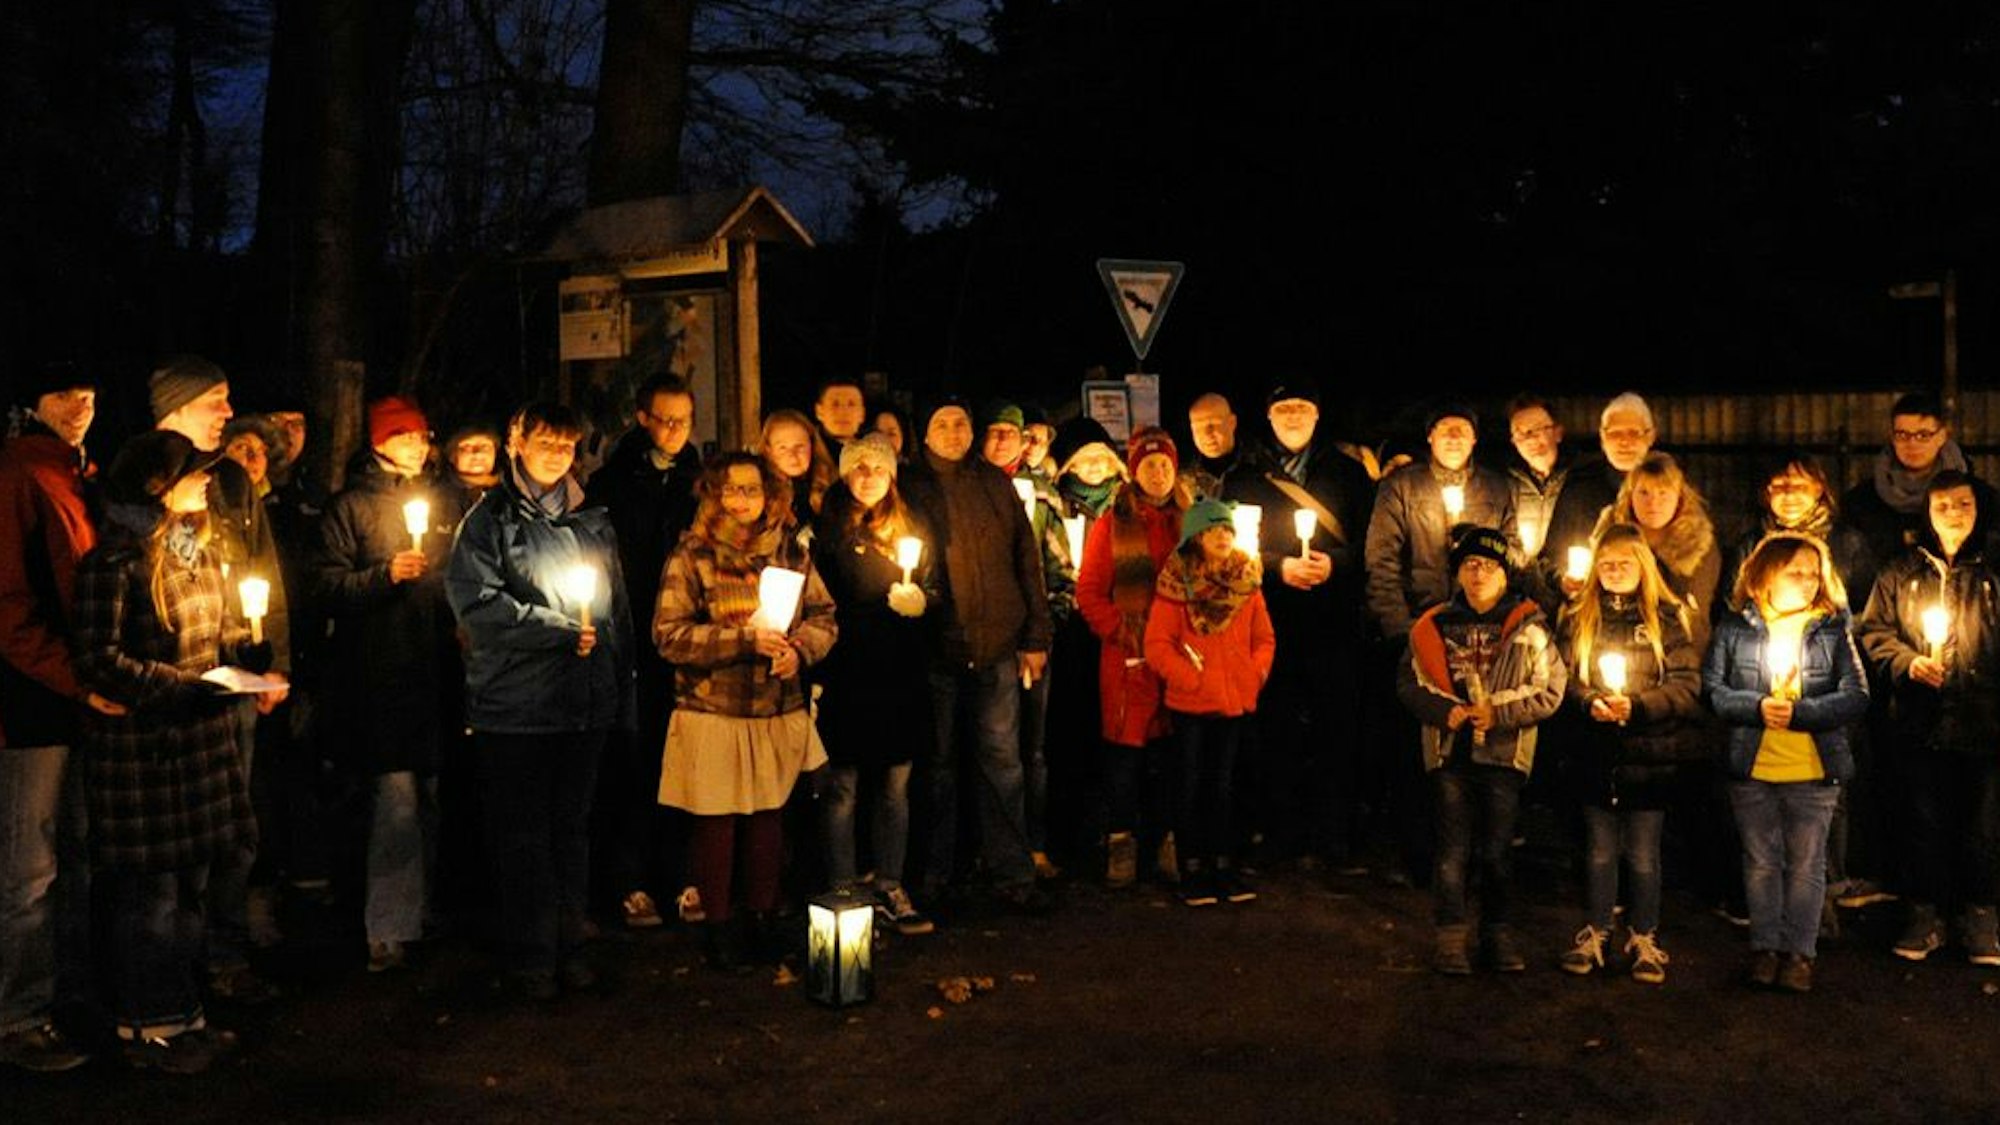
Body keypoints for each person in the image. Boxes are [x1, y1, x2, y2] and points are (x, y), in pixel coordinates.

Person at [74, 431, 269, 1072]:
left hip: (197, 747)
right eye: (197, 473)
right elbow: (100, 658)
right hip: (145, 754)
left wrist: (248, 657)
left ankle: (185, 1017)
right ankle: (147, 1029)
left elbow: (212, 636)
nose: (209, 482)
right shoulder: (115, 563)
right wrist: (187, 689)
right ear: (159, 483)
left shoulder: (195, 553)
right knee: (150, 899)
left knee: (189, 890)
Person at [444, 401, 634, 1000]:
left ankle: (570, 947)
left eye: (566, 445)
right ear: (516, 442)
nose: (556, 455)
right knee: (523, 836)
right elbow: (477, 606)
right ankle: (530, 958)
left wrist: (616, 679)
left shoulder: (590, 519)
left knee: (571, 831)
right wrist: (555, 628)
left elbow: (617, 610)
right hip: (518, 708)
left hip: (582, 704)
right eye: (545, 442)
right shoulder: (488, 521)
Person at [656, 453, 837, 970]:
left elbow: (824, 614)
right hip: (713, 707)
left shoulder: (789, 551)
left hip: (776, 707)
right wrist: (742, 640)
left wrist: (797, 649)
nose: (742, 501)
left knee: (767, 816)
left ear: (769, 496)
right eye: (731, 491)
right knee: (717, 819)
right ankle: (718, 927)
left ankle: (761, 919)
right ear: (713, 496)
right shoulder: (693, 554)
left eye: (752, 490)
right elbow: (668, 634)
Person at [150, 355, 288, 1004]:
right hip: (179, 679)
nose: (229, 414)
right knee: (187, 829)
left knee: (237, 820)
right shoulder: (147, 473)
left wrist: (275, 658)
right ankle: (178, 967)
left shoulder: (232, 480)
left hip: (238, 669)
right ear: (175, 409)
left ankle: (227, 953)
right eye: (217, 401)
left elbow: (265, 565)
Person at [312, 396, 464, 973]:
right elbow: (325, 585)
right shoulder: (350, 507)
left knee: (428, 797)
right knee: (394, 801)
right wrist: (382, 576)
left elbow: (462, 574)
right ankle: (386, 927)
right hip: (380, 675)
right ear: (379, 443)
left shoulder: (444, 501)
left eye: (422, 438)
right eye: (404, 438)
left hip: (435, 672)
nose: (417, 447)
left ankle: (419, 910)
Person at [900, 397, 1054, 914]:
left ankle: (1011, 873)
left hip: (997, 646)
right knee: (938, 767)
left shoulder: (995, 483)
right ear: (924, 433)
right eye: (941, 422)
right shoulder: (910, 485)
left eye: (961, 422)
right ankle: (936, 875)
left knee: (1002, 764)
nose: (953, 430)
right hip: (938, 649)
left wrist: (1036, 635)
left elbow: (1026, 560)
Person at [1397, 525, 1566, 975]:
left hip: (1504, 756)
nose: (1479, 574)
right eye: (1470, 565)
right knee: (1453, 850)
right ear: (1457, 572)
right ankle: (1451, 937)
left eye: (1489, 566)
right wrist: (1443, 711)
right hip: (1449, 755)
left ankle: (1497, 934)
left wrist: (1498, 713)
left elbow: (1549, 689)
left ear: (1506, 574)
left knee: (1496, 851)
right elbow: (1410, 683)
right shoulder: (1433, 625)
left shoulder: (1529, 627)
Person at [1704, 532, 1869, 994]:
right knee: (1760, 861)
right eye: (1794, 571)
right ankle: (1764, 948)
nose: (1806, 580)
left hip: (1813, 770)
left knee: (1806, 864)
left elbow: (1856, 695)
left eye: (1813, 573)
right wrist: (1756, 707)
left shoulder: (1831, 629)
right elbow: (1712, 689)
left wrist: (1802, 714)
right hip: (1753, 766)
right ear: (1764, 576)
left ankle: (1799, 953)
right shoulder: (1737, 628)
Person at [1227, 379, 1374, 871]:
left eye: (1302, 407)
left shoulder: (1349, 475)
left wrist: (1334, 564)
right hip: (1272, 622)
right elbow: (1230, 546)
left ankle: (1334, 836)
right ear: (1268, 417)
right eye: (1283, 408)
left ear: (1317, 415)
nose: (1293, 415)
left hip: (1333, 623)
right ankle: (1281, 832)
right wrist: (1276, 567)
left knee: (1337, 729)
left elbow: (1371, 545)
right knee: (1276, 730)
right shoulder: (1244, 478)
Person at [0, 365, 101, 1072]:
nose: (80, 407)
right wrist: (76, 678)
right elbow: (9, 605)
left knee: (72, 854)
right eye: (64, 393)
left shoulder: (75, 475)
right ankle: (17, 1017)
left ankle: (62, 1000)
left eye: (89, 394)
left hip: (73, 700)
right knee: (28, 867)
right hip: (29, 703)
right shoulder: (20, 474)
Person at [1856, 471, 2000, 967]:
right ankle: (1925, 912)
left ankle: (1980, 913)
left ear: (1978, 509)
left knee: (1982, 823)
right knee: (1923, 820)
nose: (1953, 515)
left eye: (1962, 505)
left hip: (1985, 723)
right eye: (1942, 507)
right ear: (1927, 513)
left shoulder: (1993, 570)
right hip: (1918, 722)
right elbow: (1874, 631)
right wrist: (1907, 662)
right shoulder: (1901, 571)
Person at [1553, 524, 1705, 984]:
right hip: (1595, 754)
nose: (1615, 572)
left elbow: (1686, 686)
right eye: (1607, 564)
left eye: (1624, 563)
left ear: (1644, 567)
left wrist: (1637, 707)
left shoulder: (1666, 620)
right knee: (1599, 851)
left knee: (1642, 853)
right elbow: (1562, 677)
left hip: (1649, 756)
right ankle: (1596, 930)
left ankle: (1644, 935)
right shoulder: (1579, 618)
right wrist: (1588, 702)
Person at [584, 375, 703, 929]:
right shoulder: (610, 484)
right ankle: (629, 880)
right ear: (643, 418)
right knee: (631, 761)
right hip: (628, 639)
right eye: (666, 418)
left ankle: (681, 873)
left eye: (685, 419)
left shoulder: (698, 483)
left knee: (682, 761)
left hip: (682, 641)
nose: (676, 430)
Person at [811, 434, 937, 935]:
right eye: (858, 468)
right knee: (842, 785)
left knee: (895, 784)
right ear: (845, 474)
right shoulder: (825, 531)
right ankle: (844, 886)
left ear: (892, 475)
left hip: (898, 671)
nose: (868, 477)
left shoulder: (912, 525)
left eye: (878, 468)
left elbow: (935, 587)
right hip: (846, 669)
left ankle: (890, 882)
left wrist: (921, 601)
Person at [1143, 499, 1276, 906]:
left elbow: (1264, 638)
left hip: (1235, 701)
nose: (1223, 536)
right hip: (1192, 704)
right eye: (1214, 529)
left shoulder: (1246, 583)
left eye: (1228, 530)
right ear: (1196, 538)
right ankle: (1193, 867)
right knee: (1190, 785)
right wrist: (1191, 677)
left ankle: (1224, 864)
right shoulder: (1176, 585)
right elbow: (1157, 643)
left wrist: (1253, 674)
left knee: (1225, 786)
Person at [1076, 427, 1191, 887]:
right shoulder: (1113, 523)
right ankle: (1122, 843)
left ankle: (1167, 841)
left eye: (1165, 463)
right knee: (1126, 757)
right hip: (1130, 660)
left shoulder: (1190, 520)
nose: (1158, 472)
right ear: (1134, 470)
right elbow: (1089, 591)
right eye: (1149, 464)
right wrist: (1121, 632)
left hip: (1180, 657)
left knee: (1172, 754)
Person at [984, 400, 1077, 880]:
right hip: (985, 640)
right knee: (992, 750)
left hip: (1034, 637)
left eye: (1010, 433)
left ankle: (1034, 845)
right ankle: (995, 849)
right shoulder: (971, 487)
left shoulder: (1042, 495)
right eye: (993, 432)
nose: (1001, 441)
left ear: (1025, 442)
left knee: (1032, 751)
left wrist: (1045, 627)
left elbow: (1061, 569)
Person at [1597, 452, 1720, 644]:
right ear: (1630, 496)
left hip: (1679, 648)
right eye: (1644, 493)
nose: (1653, 503)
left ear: (1679, 497)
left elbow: (1697, 615)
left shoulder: (1699, 547)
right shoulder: (1608, 537)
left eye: (1663, 493)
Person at [1542, 392, 1657, 586]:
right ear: (1602, 438)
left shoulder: (1668, 487)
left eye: (1634, 433)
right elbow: (1550, 558)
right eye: (1615, 433)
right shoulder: (1579, 488)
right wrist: (1563, 581)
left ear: (1651, 436)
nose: (1624, 441)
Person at [759, 409, 837, 538]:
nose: (792, 455)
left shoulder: (832, 486)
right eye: (782, 448)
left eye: (799, 446)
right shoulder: (761, 492)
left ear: (812, 445)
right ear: (769, 451)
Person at [1184, 392, 1242, 501]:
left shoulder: (1262, 469)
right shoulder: (1182, 479)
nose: (1207, 434)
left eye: (1214, 424)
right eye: (1198, 427)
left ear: (1232, 423)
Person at [442, 423, 502, 510]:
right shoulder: (435, 497)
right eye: (467, 447)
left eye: (485, 447)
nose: (478, 453)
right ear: (452, 456)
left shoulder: (512, 493)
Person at [811, 377, 868, 452]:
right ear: (819, 411)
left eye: (851, 404)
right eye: (835, 404)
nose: (843, 412)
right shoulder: (805, 453)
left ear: (862, 413)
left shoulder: (876, 456)